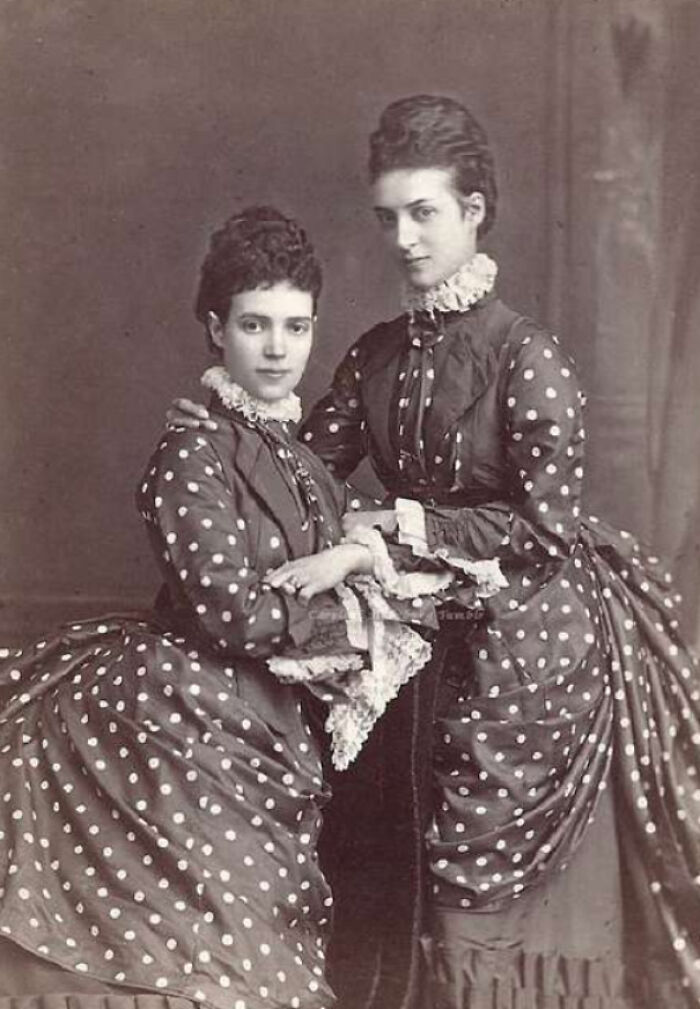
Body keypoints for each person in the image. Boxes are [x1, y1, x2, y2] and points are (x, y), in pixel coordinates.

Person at [168, 97, 700, 1009]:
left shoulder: (526, 358)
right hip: (410, 626)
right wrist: (223, 438)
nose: (405, 238)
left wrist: (381, 531)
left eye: (426, 213)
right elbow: (308, 474)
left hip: (526, 628)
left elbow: (544, 533)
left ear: (475, 210)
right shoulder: (376, 356)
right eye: (389, 217)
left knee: (470, 867)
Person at [0, 205, 448, 1008]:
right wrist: (351, 614)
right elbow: (232, 612)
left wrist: (352, 553)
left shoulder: (305, 459)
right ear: (216, 329)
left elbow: (391, 549)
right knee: (220, 974)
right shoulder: (190, 451)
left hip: (273, 729)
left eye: (296, 327)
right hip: (187, 723)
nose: (277, 349)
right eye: (254, 325)